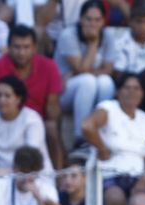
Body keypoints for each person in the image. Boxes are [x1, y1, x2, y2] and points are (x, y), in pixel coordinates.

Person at [0, 24, 66, 167]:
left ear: (35, 47)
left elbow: (53, 106)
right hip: (7, 118)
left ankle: (59, 173)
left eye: (26, 47)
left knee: (52, 128)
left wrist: (45, 124)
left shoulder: (49, 66)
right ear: (8, 47)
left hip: (38, 120)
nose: (21, 52)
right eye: (17, 47)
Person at [82, 71, 145, 205]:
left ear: (142, 93)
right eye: (127, 88)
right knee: (115, 198)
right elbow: (87, 126)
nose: (132, 92)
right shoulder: (108, 108)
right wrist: (102, 149)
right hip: (110, 175)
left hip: (138, 176)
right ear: (118, 92)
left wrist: (142, 181)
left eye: (136, 88)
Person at [57, 0, 119, 143]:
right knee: (88, 81)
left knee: (106, 82)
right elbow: (82, 69)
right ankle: (82, 137)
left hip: (90, 86)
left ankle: (102, 133)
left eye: (97, 20)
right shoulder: (68, 35)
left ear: (103, 21)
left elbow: (108, 70)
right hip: (64, 91)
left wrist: (82, 72)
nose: (93, 24)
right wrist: (93, 43)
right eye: (88, 19)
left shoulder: (108, 35)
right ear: (80, 19)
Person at [0, 75, 52, 172]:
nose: (2, 100)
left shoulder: (31, 119)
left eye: (7, 96)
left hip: (34, 174)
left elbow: (31, 157)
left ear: (18, 99)